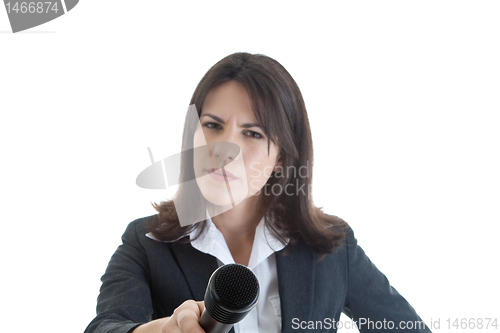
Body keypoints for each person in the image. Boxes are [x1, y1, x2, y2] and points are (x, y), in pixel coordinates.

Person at [84, 52, 432, 333]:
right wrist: (159, 331)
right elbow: (106, 327)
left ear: (281, 157)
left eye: (252, 133)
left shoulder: (331, 247)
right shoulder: (146, 243)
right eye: (212, 125)